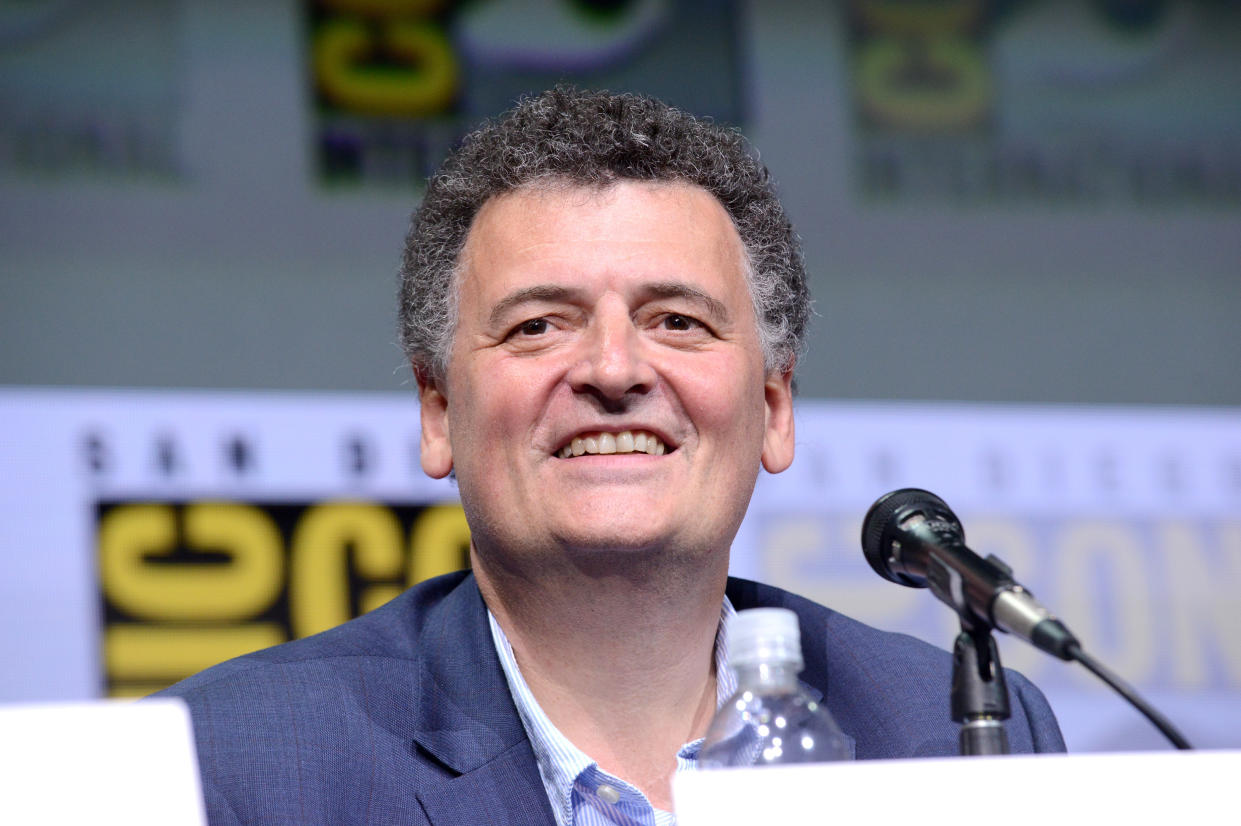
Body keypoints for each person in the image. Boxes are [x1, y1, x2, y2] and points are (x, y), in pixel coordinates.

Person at [159, 87, 1064, 825]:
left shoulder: (956, 735)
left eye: (677, 321)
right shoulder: (233, 767)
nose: (613, 370)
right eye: (538, 325)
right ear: (436, 411)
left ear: (773, 407)